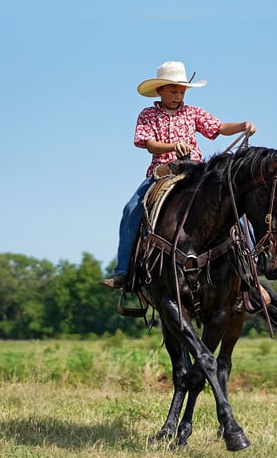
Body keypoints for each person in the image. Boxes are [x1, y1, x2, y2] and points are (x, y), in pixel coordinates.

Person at [100, 61, 256, 289]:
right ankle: (124, 271)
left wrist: (242, 125)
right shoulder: (148, 114)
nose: (178, 95)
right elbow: (149, 144)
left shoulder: (192, 113)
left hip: (197, 172)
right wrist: (172, 147)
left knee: (233, 204)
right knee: (132, 208)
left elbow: (219, 127)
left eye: (182, 91)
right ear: (160, 90)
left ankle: (250, 269)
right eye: (173, 90)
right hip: (163, 173)